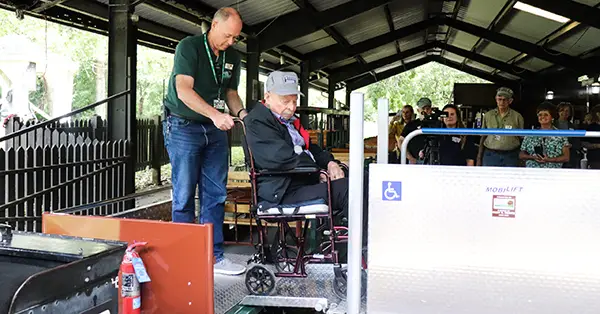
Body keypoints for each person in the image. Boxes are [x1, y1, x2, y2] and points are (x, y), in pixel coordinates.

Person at [162, 7, 247, 275]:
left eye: (235, 37)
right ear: (214, 25)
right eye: (228, 35)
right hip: (184, 126)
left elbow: (231, 92)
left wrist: (243, 114)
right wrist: (214, 115)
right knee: (185, 193)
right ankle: (183, 256)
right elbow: (183, 90)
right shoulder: (189, 47)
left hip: (215, 130)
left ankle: (214, 256)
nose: (231, 42)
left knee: (216, 194)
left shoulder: (233, 55)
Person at [244, 71, 369, 246]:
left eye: (294, 101)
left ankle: (359, 241)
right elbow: (281, 158)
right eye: (285, 101)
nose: (292, 107)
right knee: (349, 188)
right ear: (268, 97)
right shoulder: (257, 122)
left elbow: (312, 149)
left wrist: (330, 163)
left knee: (364, 176)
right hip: (282, 191)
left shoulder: (289, 121)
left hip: (302, 181)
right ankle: (355, 250)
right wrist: (318, 172)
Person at [477, 87, 524, 167]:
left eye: (505, 99)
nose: (502, 102)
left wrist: (521, 159)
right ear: (496, 99)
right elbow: (483, 137)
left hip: (511, 155)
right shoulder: (488, 115)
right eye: (499, 99)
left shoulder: (517, 117)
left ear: (510, 101)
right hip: (490, 155)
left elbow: (522, 139)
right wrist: (479, 157)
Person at [519, 102, 569, 168]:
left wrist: (549, 160)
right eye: (540, 115)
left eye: (546, 115)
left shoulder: (560, 135)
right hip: (533, 172)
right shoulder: (531, 134)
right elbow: (521, 155)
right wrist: (533, 157)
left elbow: (566, 157)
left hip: (553, 172)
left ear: (552, 117)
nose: (542, 117)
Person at [398, 98, 433, 164]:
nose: (425, 111)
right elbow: (400, 142)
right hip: (415, 161)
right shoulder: (411, 125)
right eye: (423, 108)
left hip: (434, 161)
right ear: (418, 110)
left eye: (428, 108)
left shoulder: (437, 124)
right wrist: (410, 158)